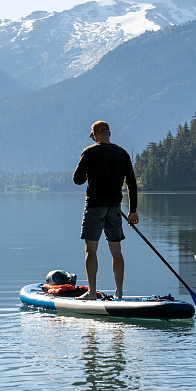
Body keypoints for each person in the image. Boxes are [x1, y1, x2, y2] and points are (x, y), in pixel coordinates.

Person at [72, 121, 139, 300]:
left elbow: (77, 179)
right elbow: (131, 183)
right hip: (115, 209)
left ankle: (92, 293)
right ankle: (119, 293)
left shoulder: (89, 152)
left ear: (94, 135)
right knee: (116, 251)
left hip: (94, 207)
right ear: (109, 133)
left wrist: (89, 173)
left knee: (91, 250)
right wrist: (132, 211)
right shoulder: (121, 153)